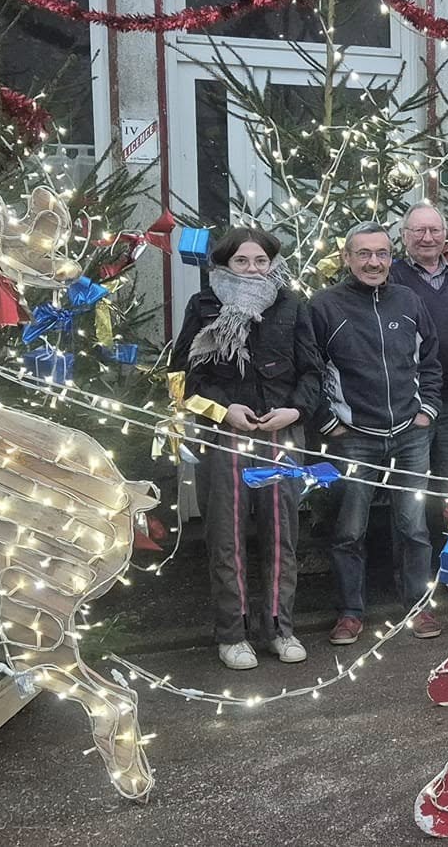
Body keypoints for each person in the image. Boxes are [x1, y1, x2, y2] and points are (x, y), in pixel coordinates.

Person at [171, 228, 320, 670]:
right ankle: (232, 635)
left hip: (281, 434)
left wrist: (295, 411)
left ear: (272, 263)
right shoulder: (204, 307)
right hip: (227, 434)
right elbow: (184, 376)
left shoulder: (292, 305)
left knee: (282, 535)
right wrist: (222, 410)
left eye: (261, 261)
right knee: (226, 536)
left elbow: (313, 371)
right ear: (224, 264)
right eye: (242, 261)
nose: (253, 268)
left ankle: (279, 628)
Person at [299, 223, 445, 647]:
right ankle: (349, 613)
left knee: (414, 526)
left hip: (409, 433)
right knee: (349, 529)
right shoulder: (324, 307)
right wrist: (329, 423)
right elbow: (310, 369)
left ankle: (417, 605)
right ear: (347, 258)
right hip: (354, 436)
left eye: (381, 254)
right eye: (363, 254)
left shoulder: (409, 301)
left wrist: (428, 411)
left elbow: (430, 362)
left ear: (391, 257)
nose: (373, 262)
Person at [391, 204, 448, 535]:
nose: (427, 238)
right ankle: (418, 578)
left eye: (434, 230)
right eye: (418, 231)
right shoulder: (391, 278)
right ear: (404, 237)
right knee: (413, 499)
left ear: (445, 236)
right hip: (411, 407)